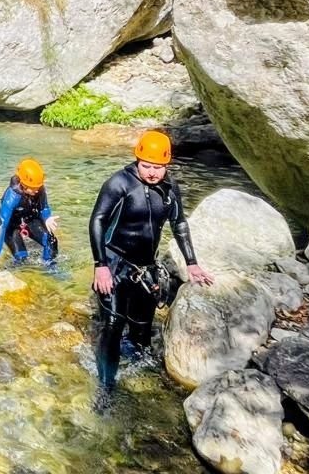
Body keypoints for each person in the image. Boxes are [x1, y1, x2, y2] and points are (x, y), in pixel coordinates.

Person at [89, 129, 214, 410]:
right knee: (112, 324)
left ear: (166, 165)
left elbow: (179, 223)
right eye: (147, 166)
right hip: (115, 263)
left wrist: (192, 263)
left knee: (143, 332)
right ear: (137, 160)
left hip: (145, 267)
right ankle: (106, 388)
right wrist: (101, 266)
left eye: (158, 167)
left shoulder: (170, 188)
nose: (153, 173)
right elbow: (97, 220)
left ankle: (139, 374)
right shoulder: (119, 184)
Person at [0, 159, 59, 270]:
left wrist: (47, 218)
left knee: (51, 241)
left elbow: (44, 207)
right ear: (23, 184)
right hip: (10, 224)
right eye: (33, 188)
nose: (37, 190)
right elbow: (2, 224)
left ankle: (49, 269)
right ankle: (7, 269)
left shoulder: (38, 188)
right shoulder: (12, 196)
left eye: (38, 187)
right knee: (22, 259)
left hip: (28, 217)